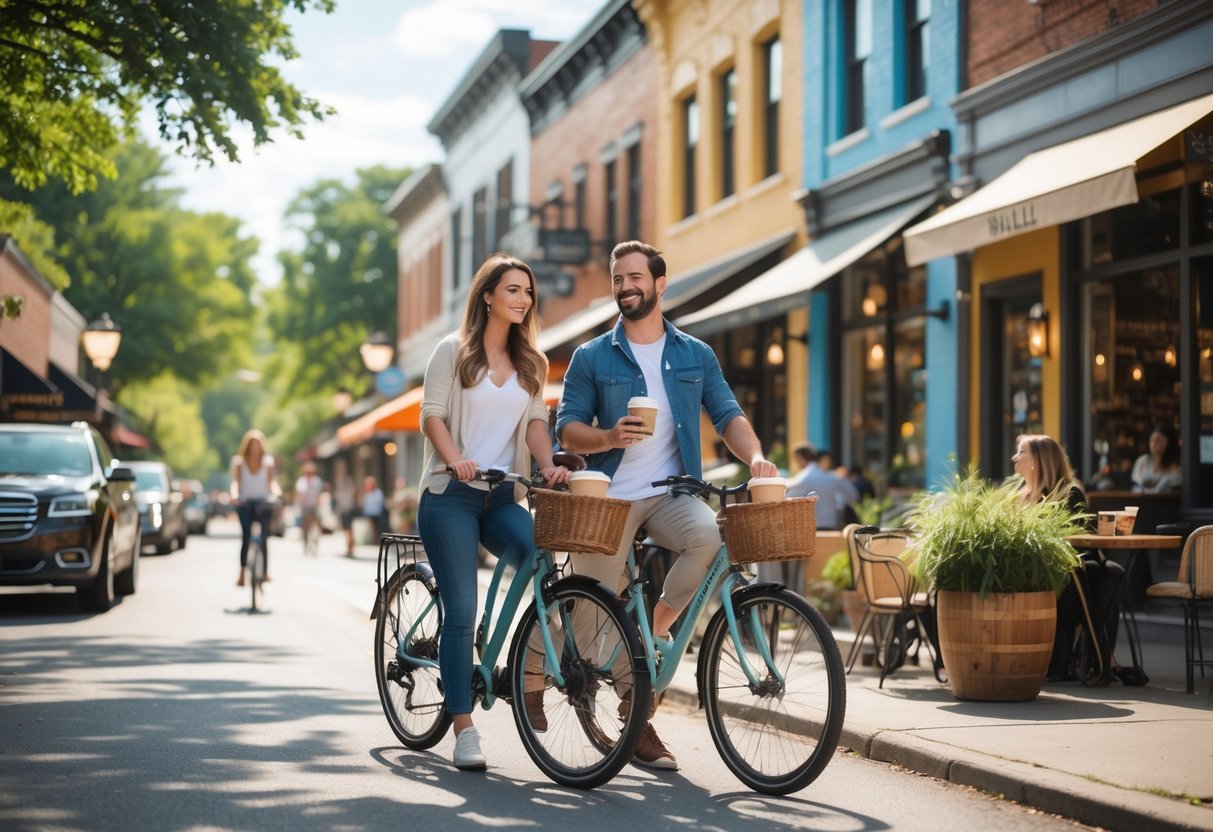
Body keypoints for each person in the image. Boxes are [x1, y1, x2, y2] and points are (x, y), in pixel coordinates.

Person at [556, 240, 778, 772]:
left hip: (670, 493)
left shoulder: (695, 354)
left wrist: (756, 458)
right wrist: (608, 435)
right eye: (617, 279)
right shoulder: (592, 355)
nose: (624, 286)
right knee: (588, 620)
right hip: (606, 497)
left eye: (635, 277)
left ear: (659, 284)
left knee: (709, 536)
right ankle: (539, 670)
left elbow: (727, 414)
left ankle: (652, 639)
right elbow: (566, 427)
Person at [417, 252, 570, 772]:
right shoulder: (452, 352)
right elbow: (431, 416)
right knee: (460, 610)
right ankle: (463, 727)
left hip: (502, 496)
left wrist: (547, 465)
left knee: (539, 553)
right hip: (451, 495)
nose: (523, 299)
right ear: (487, 296)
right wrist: (455, 459)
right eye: (512, 290)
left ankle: (510, 656)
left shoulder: (533, 363)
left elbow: (533, 426)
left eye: (528, 291)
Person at [1012, 435, 1141, 685]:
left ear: (1038, 461)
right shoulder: (1020, 496)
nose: (1014, 457)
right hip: (1032, 576)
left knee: (1111, 574)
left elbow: (1080, 542)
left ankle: (1092, 662)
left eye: (1020, 452)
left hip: (1069, 568)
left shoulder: (1068, 494)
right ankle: (1096, 662)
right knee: (1109, 576)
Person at [230, 429, 279, 587]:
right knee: (246, 537)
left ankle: (264, 572)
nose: (255, 447)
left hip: (263, 502)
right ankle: (242, 572)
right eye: (252, 444)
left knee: (264, 537)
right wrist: (234, 494)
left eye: (257, 443)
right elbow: (236, 482)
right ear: (247, 445)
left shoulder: (267, 462)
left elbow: (272, 482)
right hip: (245, 503)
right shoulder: (239, 462)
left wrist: (278, 494)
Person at [787, 444, 860, 531]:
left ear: (800, 457)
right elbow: (853, 495)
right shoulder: (830, 476)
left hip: (811, 526)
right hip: (831, 523)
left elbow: (787, 497)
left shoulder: (803, 478)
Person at [1131, 423, 1181, 494]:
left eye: (1158, 441)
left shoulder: (1175, 465)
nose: (1153, 444)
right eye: (1152, 440)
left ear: (1168, 443)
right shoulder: (1142, 461)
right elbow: (1135, 487)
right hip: (1143, 502)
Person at [294, 461, 325, 555]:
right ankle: (306, 544)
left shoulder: (317, 481)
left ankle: (315, 544)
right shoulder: (301, 481)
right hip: (305, 507)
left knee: (316, 526)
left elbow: (320, 494)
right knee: (306, 527)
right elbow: (299, 495)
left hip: (315, 507)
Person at [332, 460, 357, 557]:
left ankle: (351, 547)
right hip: (342, 507)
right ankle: (349, 547)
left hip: (349, 507)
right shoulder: (337, 481)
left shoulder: (349, 480)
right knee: (346, 529)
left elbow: (354, 493)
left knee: (349, 528)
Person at [360, 475, 385, 542]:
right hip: (367, 514)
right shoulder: (366, 494)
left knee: (374, 526)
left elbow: (379, 503)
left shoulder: (378, 493)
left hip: (375, 514)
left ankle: (374, 539)